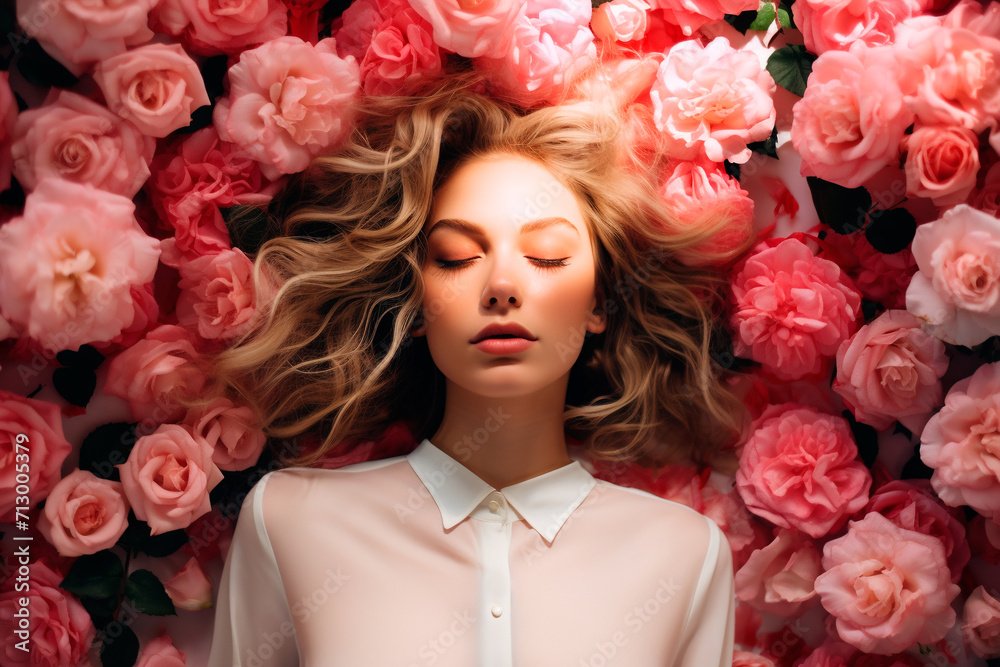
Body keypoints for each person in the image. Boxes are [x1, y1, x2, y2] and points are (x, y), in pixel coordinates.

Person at [202, 64, 752, 667]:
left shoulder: (683, 557)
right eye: (458, 256)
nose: (502, 287)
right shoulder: (290, 523)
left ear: (599, 301)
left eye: (546, 257)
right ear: (416, 301)